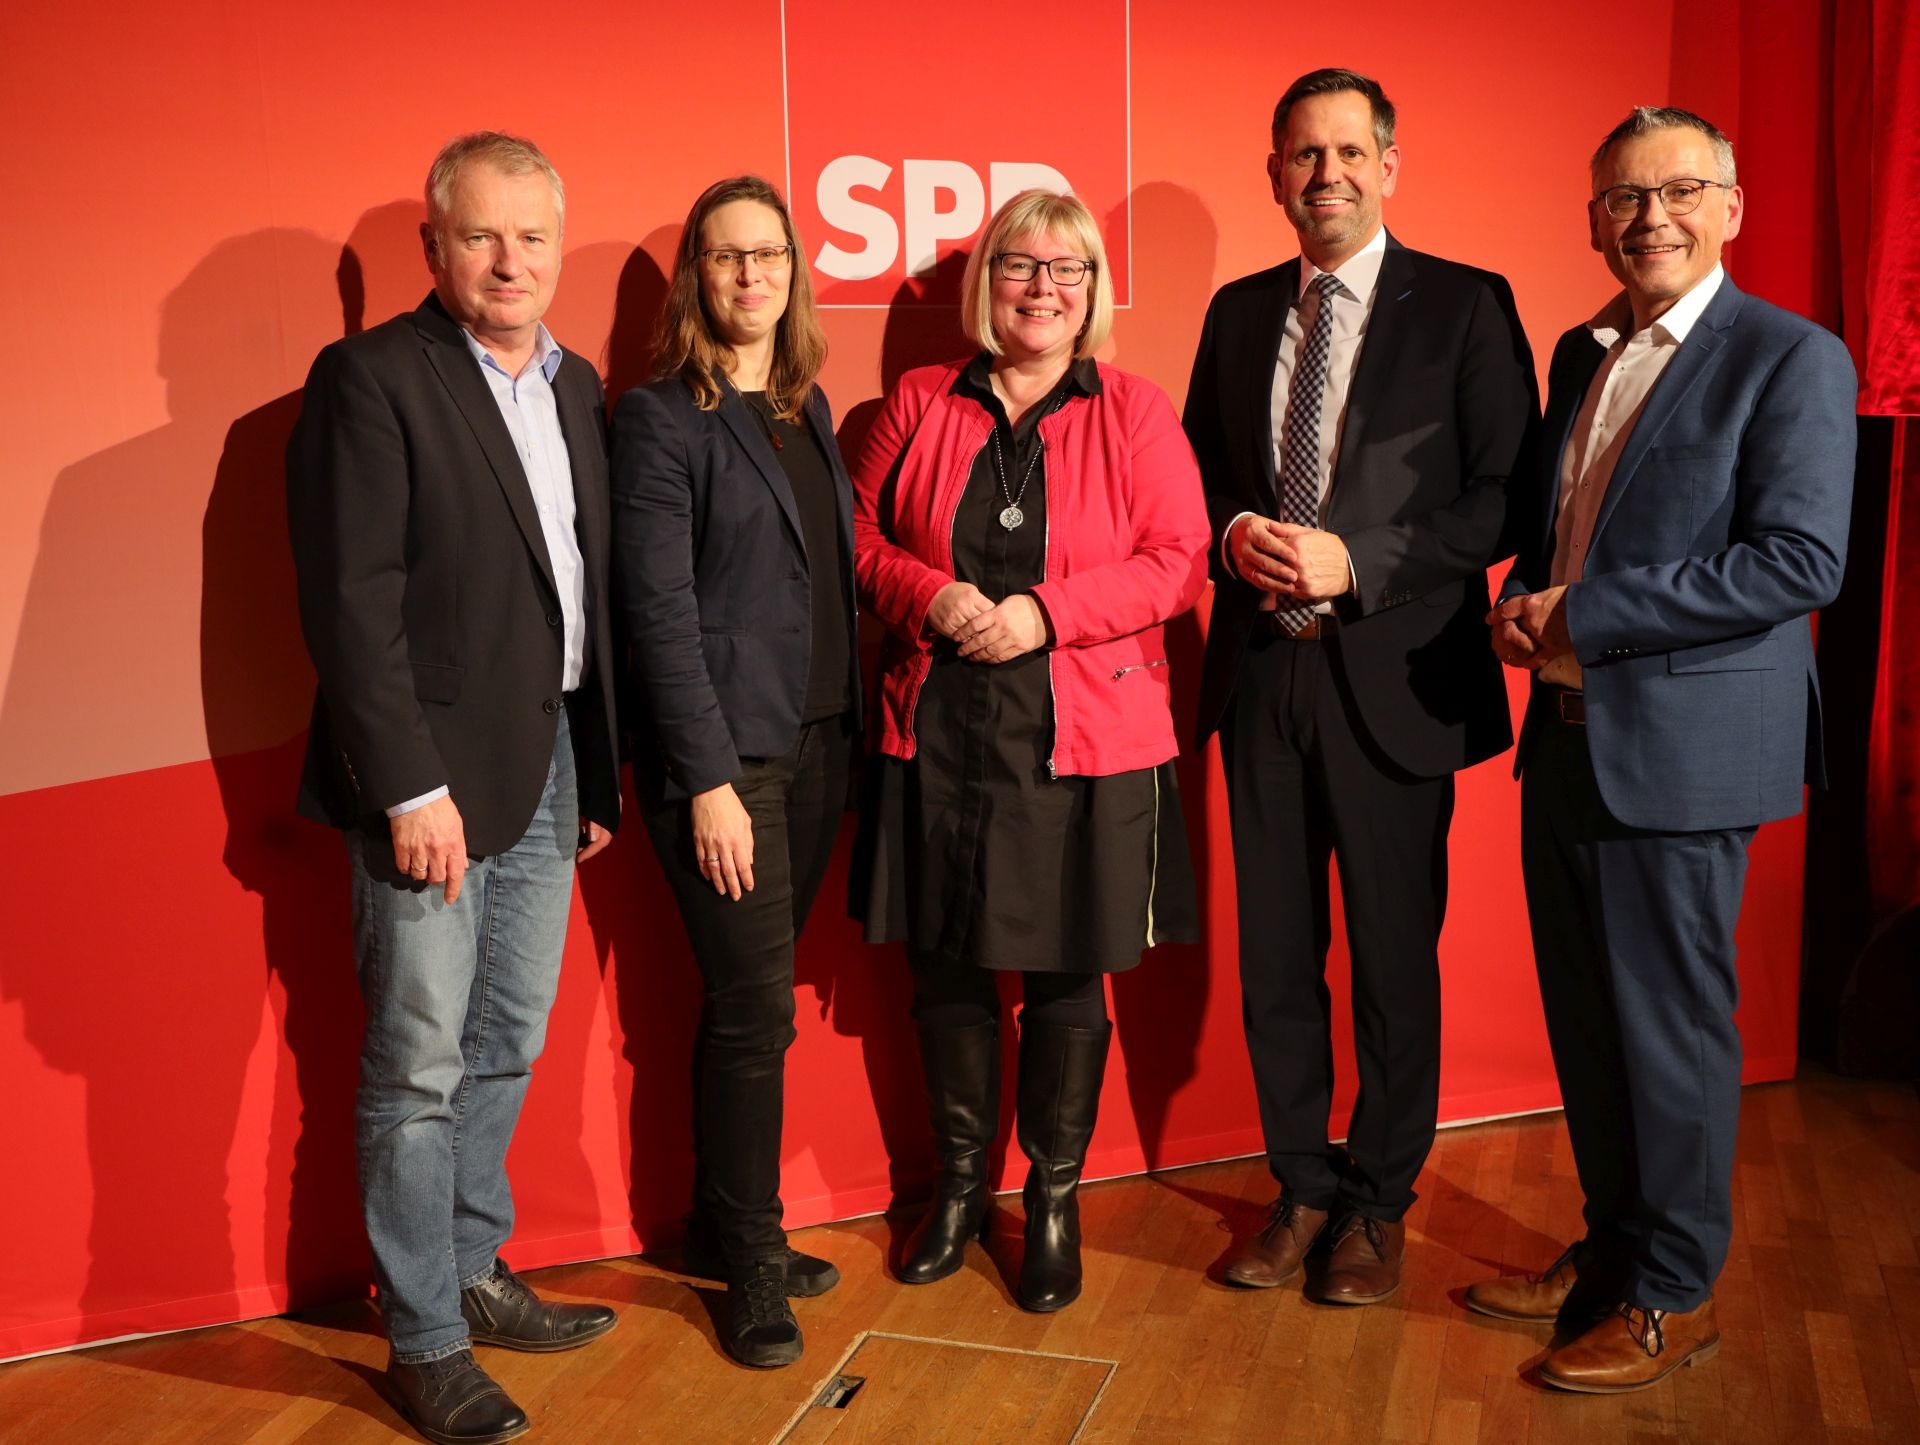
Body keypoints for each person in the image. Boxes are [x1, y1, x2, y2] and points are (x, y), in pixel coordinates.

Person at [1472, 107, 1855, 1391]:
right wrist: (1528, 604)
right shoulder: (1583, 354)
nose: (1652, 219)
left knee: (1672, 1033)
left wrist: (1582, 614)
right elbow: (1571, 530)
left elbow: (1799, 561)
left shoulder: (1791, 356)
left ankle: (1675, 1295)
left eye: (1680, 191)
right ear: (1594, 221)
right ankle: (1610, 1257)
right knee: (1591, 1025)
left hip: (1683, 754)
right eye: (1625, 199)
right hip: (1566, 740)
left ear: (1731, 207)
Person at [286, 132, 621, 1445]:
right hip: (427, 785)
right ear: (433, 248)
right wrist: (407, 785)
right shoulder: (372, 377)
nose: (509, 261)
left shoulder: (577, 384)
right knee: (418, 1062)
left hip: (548, 767)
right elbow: (350, 603)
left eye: (531, 236)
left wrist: (595, 770)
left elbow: (578, 592)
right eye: (481, 236)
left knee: (507, 1039)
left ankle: (474, 1263)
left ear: (558, 243)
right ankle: (425, 1333)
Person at [1184, 68, 1537, 1303]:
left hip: (1395, 679)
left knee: (1393, 959)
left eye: (1347, 151)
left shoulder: (1466, 305)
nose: (1324, 173)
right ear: (1274, 174)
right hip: (1262, 676)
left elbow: (1507, 497)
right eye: (1303, 154)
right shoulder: (1237, 312)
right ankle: (1301, 1187)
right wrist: (1236, 533)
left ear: (1388, 164)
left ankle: (1378, 1202)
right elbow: (1197, 477)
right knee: (1276, 959)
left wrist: (1363, 560)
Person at [852, 189, 1209, 1314]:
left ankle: (1053, 1199)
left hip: (1085, 738)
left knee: (1066, 975)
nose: (1043, 288)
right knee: (946, 969)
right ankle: (962, 1189)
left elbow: (1178, 558)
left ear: (1093, 289)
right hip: (938, 727)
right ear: (987, 282)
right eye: (1020, 264)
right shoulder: (919, 400)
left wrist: (1045, 615)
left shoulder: (1137, 411)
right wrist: (929, 591)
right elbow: (853, 536)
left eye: (1069, 269)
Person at [609, 176, 858, 1370]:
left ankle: (719, 1217)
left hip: (822, 748)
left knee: (749, 1001)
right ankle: (751, 1253)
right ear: (695, 278)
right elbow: (655, 610)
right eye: (726, 255)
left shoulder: (810, 408)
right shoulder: (660, 418)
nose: (751, 275)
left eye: (769, 254)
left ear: (794, 272)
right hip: (730, 761)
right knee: (757, 1009)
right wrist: (707, 777)